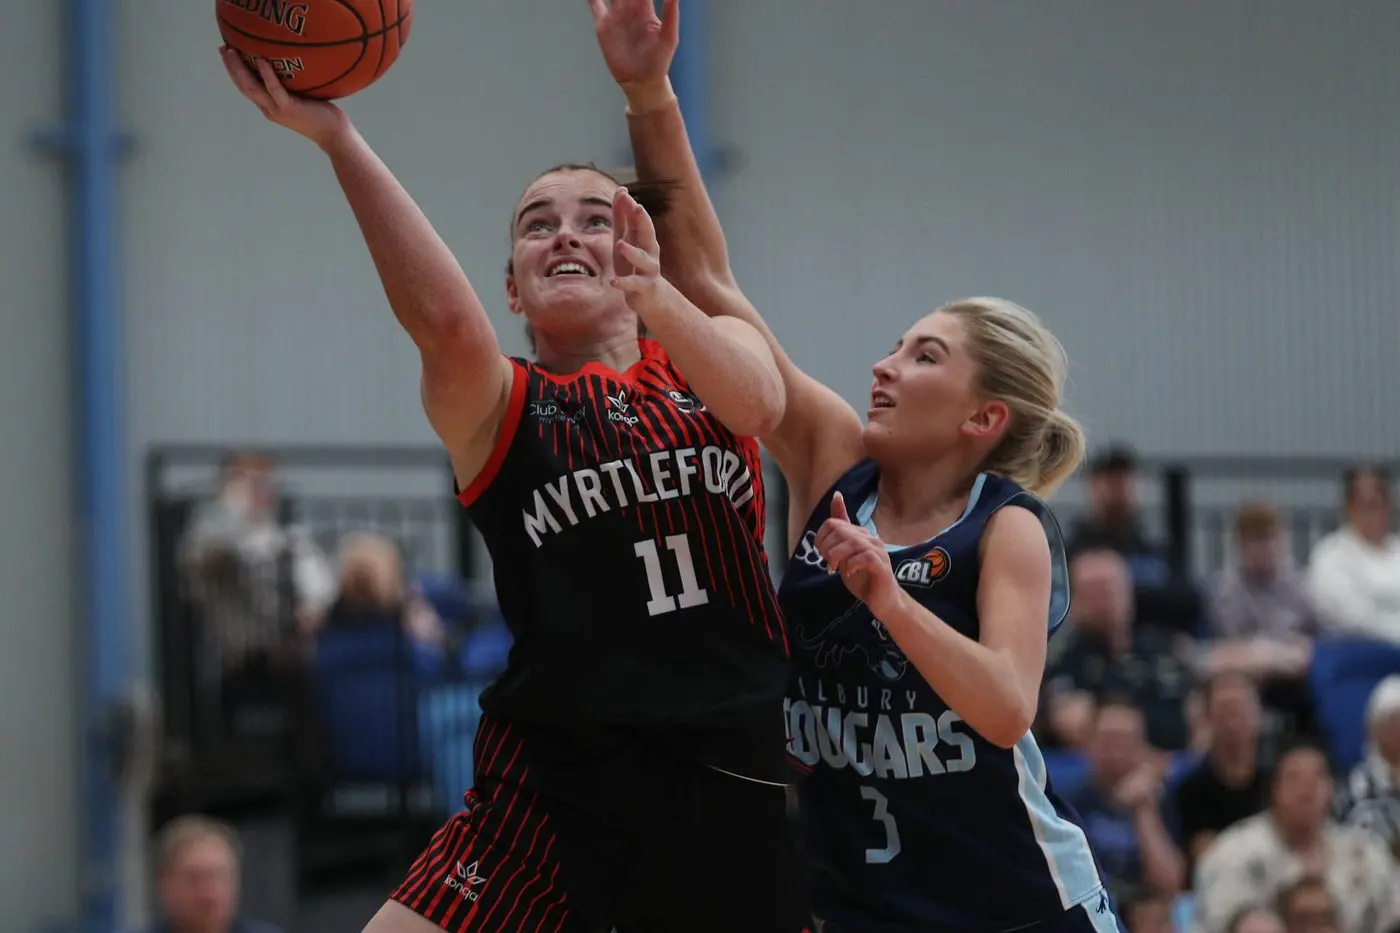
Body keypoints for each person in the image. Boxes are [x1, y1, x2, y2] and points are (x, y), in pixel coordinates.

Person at [219, 44, 809, 933]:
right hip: (554, 773)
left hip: (724, 773)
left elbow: (763, 402)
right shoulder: (505, 406)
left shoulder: (707, 360)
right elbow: (445, 323)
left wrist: (648, 105)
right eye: (537, 224)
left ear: (639, 250)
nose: (565, 233)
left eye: (594, 218)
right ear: (514, 291)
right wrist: (338, 139)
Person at [592, 2, 1122, 929]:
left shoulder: (1005, 528)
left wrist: (885, 593)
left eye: (924, 356)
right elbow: (706, 281)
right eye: (894, 344)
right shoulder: (835, 457)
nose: (884, 365)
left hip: (1021, 907)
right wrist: (646, 87)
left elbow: (1003, 706)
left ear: (982, 416)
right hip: (859, 906)